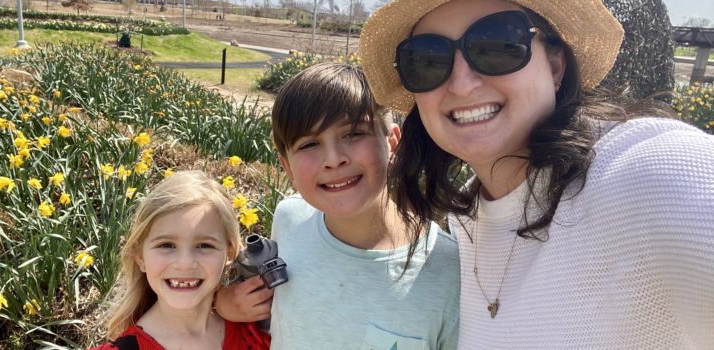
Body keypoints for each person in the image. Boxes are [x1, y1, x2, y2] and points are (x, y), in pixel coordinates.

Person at [359, 0, 714, 348]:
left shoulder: (650, 174)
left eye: (497, 44)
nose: (462, 84)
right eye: (428, 59)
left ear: (556, 65)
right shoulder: (469, 218)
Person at [216, 62, 461, 349]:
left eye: (353, 134)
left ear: (393, 142)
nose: (333, 159)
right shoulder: (289, 218)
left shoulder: (448, 272)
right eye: (309, 144)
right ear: (287, 168)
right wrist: (221, 301)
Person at [90, 171, 270, 350]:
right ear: (140, 256)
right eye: (166, 245)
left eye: (204, 245)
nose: (185, 264)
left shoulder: (259, 333)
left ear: (230, 253)